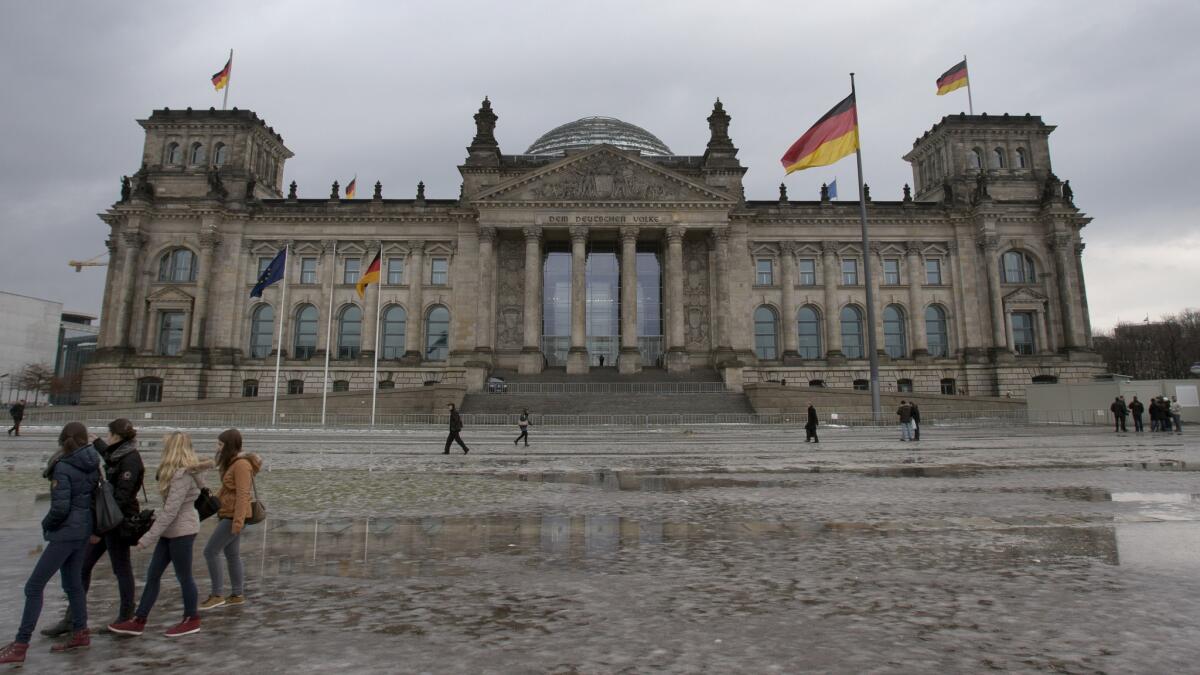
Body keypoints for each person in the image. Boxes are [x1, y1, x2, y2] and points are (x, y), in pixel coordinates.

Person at [0, 422, 100, 666]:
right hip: (83, 530)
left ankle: (21, 644)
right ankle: (80, 633)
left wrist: (48, 523)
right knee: (73, 583)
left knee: (34, 587)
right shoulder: (93, 462)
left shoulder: (64, 466)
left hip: (65, 533)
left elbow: (60, 508)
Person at [42, 418, 145, 638]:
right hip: (106, 520)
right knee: (83, 568)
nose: (107, 438)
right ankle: (73, 618)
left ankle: (126, 616)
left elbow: (121, 497)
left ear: (117, 436)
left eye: (108, 435)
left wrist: (99, 529)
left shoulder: (131, 459)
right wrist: (97, 442)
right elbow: (109, 455)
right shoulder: (120, 453)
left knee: (121, 568)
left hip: (117, 523)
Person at [108, 432, 212, 638]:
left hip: (181, 531)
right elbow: (170, 509)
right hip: (171, 530)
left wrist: (147, 538)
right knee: (153, 575)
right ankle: (139, 620)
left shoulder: (182, 475)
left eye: (165, 447)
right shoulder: (181, 472)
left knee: (184, 577)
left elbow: (171, 512)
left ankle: (192, 618)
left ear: (172, 450)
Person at [200, 429, 262, 611]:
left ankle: (217, 595)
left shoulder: (241, 465)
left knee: (210, 551)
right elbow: (228, 490)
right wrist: (212, 503)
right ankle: (237, 594)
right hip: (227, 513)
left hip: (233, 516)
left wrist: (238, 521)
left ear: (229, 445)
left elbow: (243, 494)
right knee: (232, 554)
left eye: (220, 444)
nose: (217, 447)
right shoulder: (231, 463)